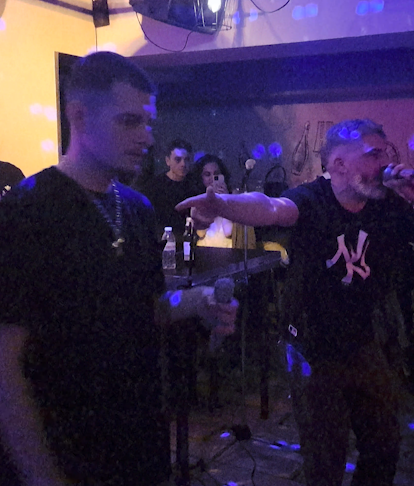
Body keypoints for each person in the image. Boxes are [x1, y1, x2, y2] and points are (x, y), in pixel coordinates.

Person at [176, 118, 414, 486]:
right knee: (326, 459)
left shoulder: (387, 204)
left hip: (365, 343)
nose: (385, 163)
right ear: (338, 164)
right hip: (312, 349)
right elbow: (271, 207)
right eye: (373, 154)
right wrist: (222, 203)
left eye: (385, 154)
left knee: (384, 446)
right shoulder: (312, 198)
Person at [0, 51, 237, 486]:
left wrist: (199, 302)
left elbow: (148, 306)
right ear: (79, 116)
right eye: (130, 121)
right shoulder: (24, 211)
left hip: (138, 444)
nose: (146, 137)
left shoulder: (137, 207)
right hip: (66, 451)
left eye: (149, 123)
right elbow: (6, 366)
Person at [139, 138, 197, 242]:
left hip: (189, 240)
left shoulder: (195, 186)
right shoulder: (154, 186)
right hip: (162, 241)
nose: (183, 164)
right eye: (178, 160)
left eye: (187, 159)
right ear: (167, 161)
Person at [189, 153, 234, 247]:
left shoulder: (233, 198)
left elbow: (229, 231)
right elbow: (200, 233)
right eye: (207, 174)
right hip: (204, 249)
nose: (212, 178)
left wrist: (225, 198)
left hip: (229, 249)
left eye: (216, 174)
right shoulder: (197, 201)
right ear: (201, 178)